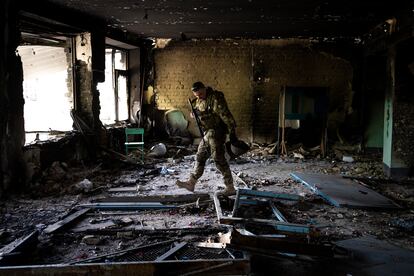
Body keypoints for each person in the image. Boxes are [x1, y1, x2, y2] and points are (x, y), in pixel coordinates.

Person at [176, 81, 238, 196]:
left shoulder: (214, 98)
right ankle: (191, 182)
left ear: (204, 89)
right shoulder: (198, 101)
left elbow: (225, 115)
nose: (199, 97)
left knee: (219, 159)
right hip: (207, 133)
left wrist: (232, 131)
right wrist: (194, 114)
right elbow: (195, 112)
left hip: (217, 133)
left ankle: (230, 187)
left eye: (200, 94)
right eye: (196, 96)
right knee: (200, 156)